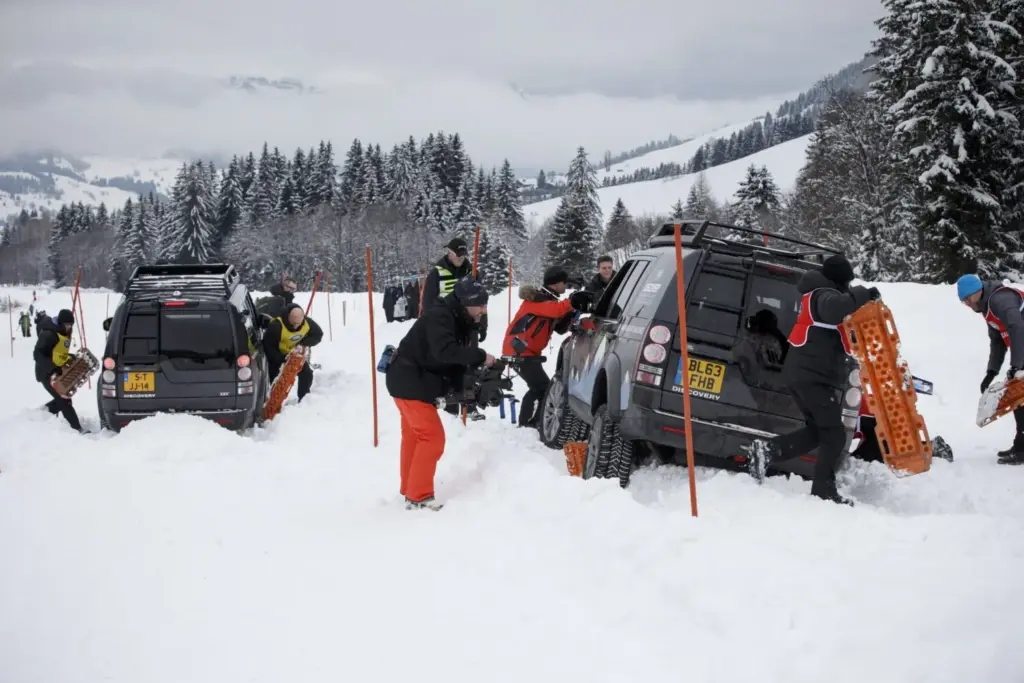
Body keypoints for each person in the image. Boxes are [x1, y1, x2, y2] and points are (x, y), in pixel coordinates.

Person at [747, 254, 878, 504]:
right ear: (839, 280)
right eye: (847, 282)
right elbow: (836, 309)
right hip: (811, 377)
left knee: (819, 431)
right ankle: (823, 491)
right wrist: (864, 293)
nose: (849, 286)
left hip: (806, 376)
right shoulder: (822, 295)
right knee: (835, 435)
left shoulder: (819, 294)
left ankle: (767, 451)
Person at [385, 277, 495, 510]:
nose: (483, 310)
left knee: (414, 437)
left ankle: (410, 489)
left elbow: (449, 359)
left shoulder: (457, 317)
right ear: (465, 303)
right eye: (479, 305)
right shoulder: (440, 316)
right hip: (409, 382)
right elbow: (445, 352)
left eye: (485, 305)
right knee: (432, 438)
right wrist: (480, 356)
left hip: (409, 380)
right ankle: (419, 496)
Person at [503, 266, 592, 428]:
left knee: (540, 388)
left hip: (527, 352)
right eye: (565, 283)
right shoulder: (535, 299)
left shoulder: (547, 300)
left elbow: (560, 327)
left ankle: (530, 423)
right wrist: (573, 300)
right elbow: (556, 310)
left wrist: (574, 310)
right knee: (542, 388)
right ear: (556, 283)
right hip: (518, 351)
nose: (566, 286)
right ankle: (528, 424)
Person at [957, 274, 1024, 463]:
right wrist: (991, 373)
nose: (968, 304)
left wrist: (1017, 365)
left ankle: (1022, 448)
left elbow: (1017, 327)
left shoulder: (1000, 299)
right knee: (1019, 396)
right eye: (964, 301)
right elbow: (998, 342)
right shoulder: (987, 308)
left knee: (1020, 395)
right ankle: (1021, 445)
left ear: (977, 291)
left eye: (968, 298)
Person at [423, 237, 488, 420]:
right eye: (457, 255)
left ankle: (470, 405)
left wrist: (483, 323)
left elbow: (481, 299)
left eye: (463, 255)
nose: (461, 258)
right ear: (449, 253)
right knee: (449, 361)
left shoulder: (471, 271)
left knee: (470, 362)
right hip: (446, 323)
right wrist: (431, 325)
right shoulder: (437, 273)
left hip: (469, 323)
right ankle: (450, 405)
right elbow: (428, 301)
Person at [851, 396, 953, 463]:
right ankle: (930, 448)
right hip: (884, 411)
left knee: (856, 463)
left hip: (886, 416)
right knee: (856, 461)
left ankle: (932, 450)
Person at [34, 309, 85, 433]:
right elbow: (37, 354)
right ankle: (77, 429)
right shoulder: (49, 334)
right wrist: (52, 367)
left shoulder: (62, 332)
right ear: (60, 323)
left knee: (62, 399)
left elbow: (57, 352)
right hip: (46, 372)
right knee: (64, 399)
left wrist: (70, 357)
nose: (69, 327)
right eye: (67, 325)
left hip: (56, 370)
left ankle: (42, 414)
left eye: (71, 325)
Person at [262, 303, 324, 402]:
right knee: (276, 382)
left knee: (307, 374)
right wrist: (282, 359)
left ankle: (303, 399)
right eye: (293, 323)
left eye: (298, 323)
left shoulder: (307, 323)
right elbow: (268, 348)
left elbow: (318, 335)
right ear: (288, 317)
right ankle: (272, 403)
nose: (296, 326)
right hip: (277, 357)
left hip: (294, 356)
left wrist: (303, 343)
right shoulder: (276, 326)